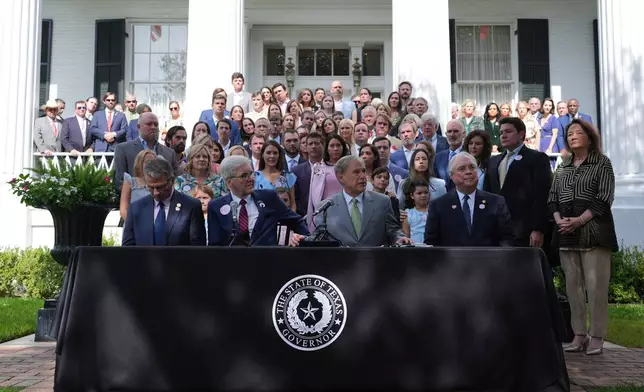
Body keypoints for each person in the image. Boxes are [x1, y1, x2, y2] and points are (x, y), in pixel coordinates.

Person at [548, 120, 618, 355]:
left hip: (594, 233)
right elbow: (553, 198)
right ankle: (579, 335)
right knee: (573, 288)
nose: (573, 136)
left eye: (579, 132)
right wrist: (559, 221)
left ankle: (597, 336)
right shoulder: (563, 165)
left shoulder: (602, 163)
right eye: (570, 133)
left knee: (596, 287)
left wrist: (579, 220)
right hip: (566, 235)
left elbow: (604, 198)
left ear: (590, 137)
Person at [292, 155, 412, 247]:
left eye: (363, 171)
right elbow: (318, 239)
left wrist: (400, 238)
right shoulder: (326, 206)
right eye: (356, 172)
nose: (362, 176)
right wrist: (303, 240)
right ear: (340, 177)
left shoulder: (383, 202)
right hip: (341, 270)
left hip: (375, 268)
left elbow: (393, 231)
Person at [207, 156, 309, 246]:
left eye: (251, 174)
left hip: (267, 263)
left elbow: (296, 221)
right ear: (229, 183)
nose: (250, 179)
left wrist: (304, 238)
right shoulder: (216, 207)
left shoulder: (269, 198)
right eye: (244, 176)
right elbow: (215, 246)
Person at [484, 117, 552, 247]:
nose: (503, 135)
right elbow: (488, 195)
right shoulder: (493, 161)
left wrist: (538, 229)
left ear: (521, 134)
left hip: (524, 231)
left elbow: (542, 195)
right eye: (501, 132)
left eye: (508, 131)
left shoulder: (536, 158)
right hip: (497, 231)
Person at [424, 152, 514, 247]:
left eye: (472, 167)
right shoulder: (439, 205)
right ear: (452, 175)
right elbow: (431, 242)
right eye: (461, 169)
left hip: (489, 260)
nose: (468, 172)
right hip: (451, 260)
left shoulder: (496, 202)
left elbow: (507, 239)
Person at [122, 158, 206, 246]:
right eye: (150, 187)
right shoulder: (136, 208)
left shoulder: (191, 206)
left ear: (172, 180)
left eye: (160, 187)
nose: (155, 193)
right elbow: (128, 249)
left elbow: (197, 248)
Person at [113, 112, 178, 192]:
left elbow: (175, 181)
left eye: (156, 124)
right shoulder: (123, 149)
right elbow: (119, 181)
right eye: (149, 124)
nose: (153, 127)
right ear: (138, 127)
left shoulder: (169, 153)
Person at [119, 150, 157, 222]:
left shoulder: (159, 185)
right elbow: (123, 210)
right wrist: (135, 226)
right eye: (147, 162)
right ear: (139, 164)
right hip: (133, 226)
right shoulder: (130, 182)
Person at [401, 179, 430, 244]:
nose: (423, 195)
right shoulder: (408, 214)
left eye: (426, 192)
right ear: (412, 196)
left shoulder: (434, 211)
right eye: (419, 193)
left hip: (432, 248)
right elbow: (406, 235)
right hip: (414, 249)